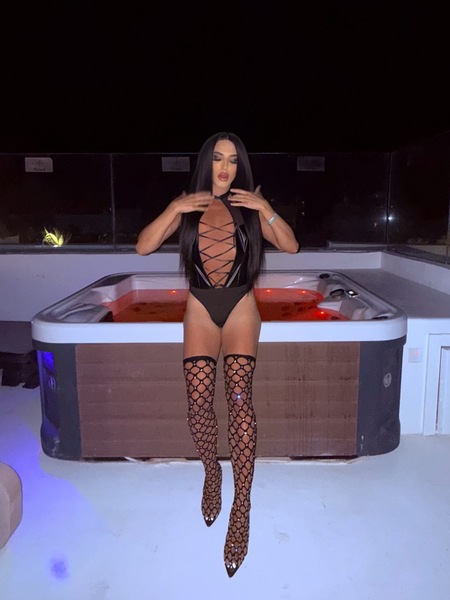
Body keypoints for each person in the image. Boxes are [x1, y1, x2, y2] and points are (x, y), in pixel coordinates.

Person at [136, 132, 299, 577]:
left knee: (240, 400)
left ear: (239, 166)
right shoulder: (187, 205)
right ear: (206, 163)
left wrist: (265, 207)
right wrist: (173, 208)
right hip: (200, 309)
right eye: (217, 159)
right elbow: (143, 246)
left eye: (232, 160)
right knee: (198, 404)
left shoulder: (249, 205)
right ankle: (212, 472)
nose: (225, 168)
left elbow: (290, 245)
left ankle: (241, 506)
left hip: (241, 306)